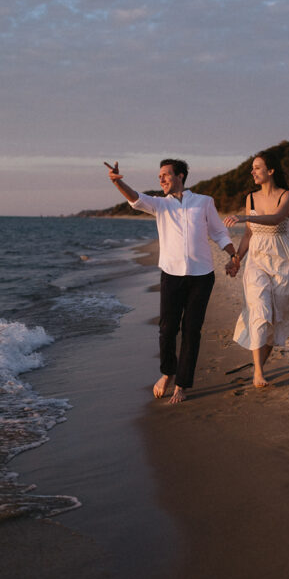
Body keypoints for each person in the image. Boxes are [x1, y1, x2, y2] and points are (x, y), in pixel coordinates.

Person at [104, 159, 240, 404]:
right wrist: (118, 182)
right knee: (167, 329)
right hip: (171, 275)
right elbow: (135, 199)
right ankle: (167, 373)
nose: (161, 180)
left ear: (180, 176)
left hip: (202, 276)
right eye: (159, 177)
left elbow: (219, 232)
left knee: (191, 332)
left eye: (165, 175)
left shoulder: (204, 202)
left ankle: (182, 385)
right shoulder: (159, 204)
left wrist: (233, 255)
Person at [223, 152, 289, 388]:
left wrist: (245, 217)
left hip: (281, 260)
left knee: (274, 317)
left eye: (257, 168)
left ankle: (260, 367)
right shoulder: (251, 198)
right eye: (252, 168)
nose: (253, 172)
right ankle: (258, 373)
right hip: (256, 258)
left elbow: (277, 219)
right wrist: (237, 259)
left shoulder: (287, 196)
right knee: (259, 308)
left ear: (271, 170)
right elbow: (248, 233)